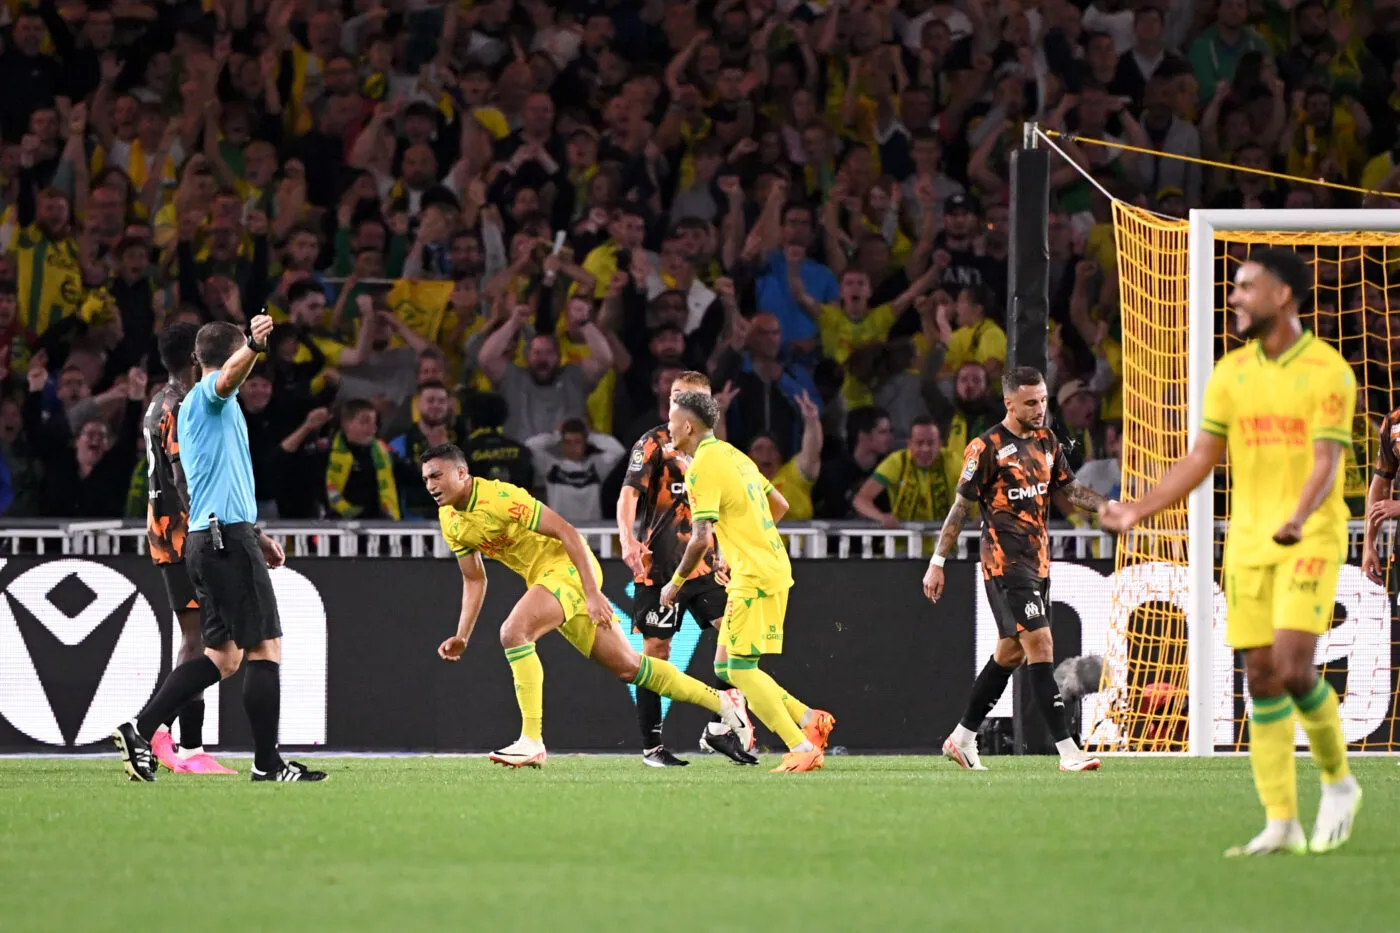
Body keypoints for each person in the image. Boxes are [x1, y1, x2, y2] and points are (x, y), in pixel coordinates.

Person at [1100, 248, 1363, 855]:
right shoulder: (1230, 373)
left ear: (1283, 295)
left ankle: (1338, 782)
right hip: (1247, 543)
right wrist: (1138, 509)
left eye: (1247, 286)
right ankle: (1281, 822)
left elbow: (1327, 460)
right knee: (1263, 680)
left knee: (1296, 667)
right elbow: (1200, 458)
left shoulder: (1327, 371)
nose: (1236, 296)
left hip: (1308, 536)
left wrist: (1297, 517)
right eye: (1235, 287)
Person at [420, 443, 755, 768]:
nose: (431, 485)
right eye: (426, 480)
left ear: (462, 473)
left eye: (437, 475)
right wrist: (462, 634)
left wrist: (592, 592)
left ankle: (531, 741)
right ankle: (724, 704)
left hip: (568, 567)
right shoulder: (450, 520)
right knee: (630, 667)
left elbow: (566, 532)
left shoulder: (499, 497)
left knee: (514, 632)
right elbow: (475, 579)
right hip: (547, 580)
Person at [112, 314, 326, 783]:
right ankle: (268, 766)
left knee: (222, 657)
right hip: (224, 539)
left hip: (213, 536)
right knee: (264, 649)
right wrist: (252, 344)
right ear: (228, 358)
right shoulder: (210, 397)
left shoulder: (194, 406)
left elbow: (216, 479)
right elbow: (228, 377)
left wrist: (256, 533)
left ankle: (140, 728)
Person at [923, 366, 1106, 774]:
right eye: (1030, 402)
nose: (1040, 408)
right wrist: (938, 562)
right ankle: (1069, 753)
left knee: (1010, 653)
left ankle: (962, 738)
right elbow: (961, 508)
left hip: (1039, 561)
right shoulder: (985, 448)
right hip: (1004, 564)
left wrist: (1109, 507)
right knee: (1041, 645)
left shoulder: (1047, 440)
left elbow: (1070, 489)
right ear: (1009, 403)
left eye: (1042, 400)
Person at [662, 391, 834, 773]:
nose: (668, 426)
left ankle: (801, 745)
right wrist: (740, 546)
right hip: (768, 565)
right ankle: (810, 719)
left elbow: (700, 537)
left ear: (687, 425)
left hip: (754, 576)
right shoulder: (733, 454)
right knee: (726, 666)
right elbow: (780, 506)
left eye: (672, 419)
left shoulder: (701, 466)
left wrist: (674, 584)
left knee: (739, 670)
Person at [617, 371, 755, 767]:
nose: (679, 403)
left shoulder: (715, 451)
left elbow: (725, 508)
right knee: (656, 653)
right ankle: (652, 747)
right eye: (676, 395)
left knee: (737, 636)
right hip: (659, 568)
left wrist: (726, 549)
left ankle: (718, 729)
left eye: (689, 397)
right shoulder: (655, 443)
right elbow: (629, 493)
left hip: (706, 566)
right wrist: (626, 539)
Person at [141, 321, 235, 775]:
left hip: (161, 528)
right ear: (195, 358)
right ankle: (177, 744)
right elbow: (182, 474)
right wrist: (208, 523)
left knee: (195, 637)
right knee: (204, 641)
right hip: (186, 531)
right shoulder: (182, 404)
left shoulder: (157, 401)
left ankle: (171, 739)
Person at [852, 416, 958, 527]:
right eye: (919, 443)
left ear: (940, 444)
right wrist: (881, 517)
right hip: (902, 542)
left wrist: (977, 515)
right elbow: (860, 500)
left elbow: (974, 491)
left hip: (943, 541)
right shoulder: (897, 461)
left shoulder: (952, 460)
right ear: (909, 444)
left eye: (931, 443)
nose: (925, 448)